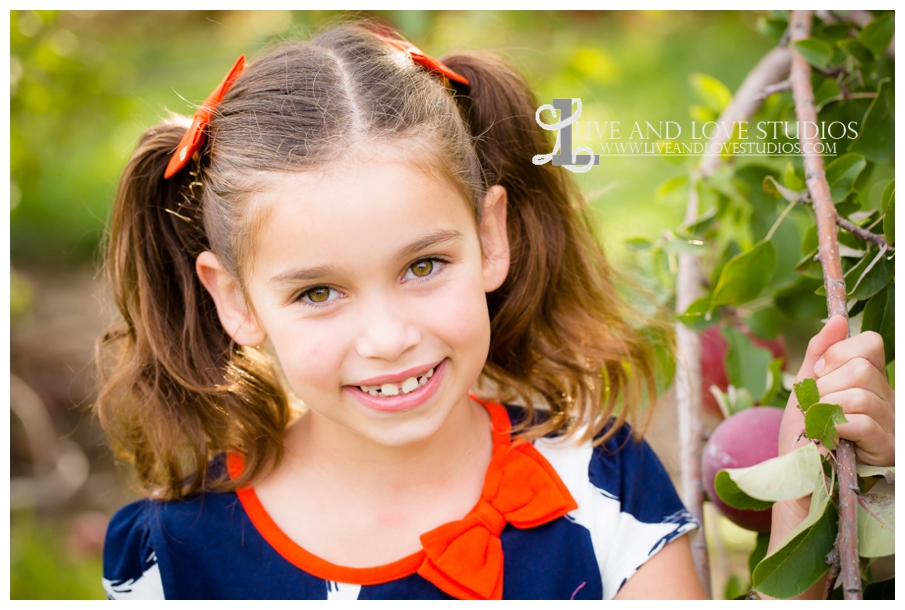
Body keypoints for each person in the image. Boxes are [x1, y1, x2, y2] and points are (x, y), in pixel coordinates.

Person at [96, 23, 894, 600]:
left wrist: (803, 510)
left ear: (490, 237)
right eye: (317, 292)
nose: (388, 337)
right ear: (233, 298)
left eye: (422, 265)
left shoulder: (600, 486)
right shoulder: (176, 557)